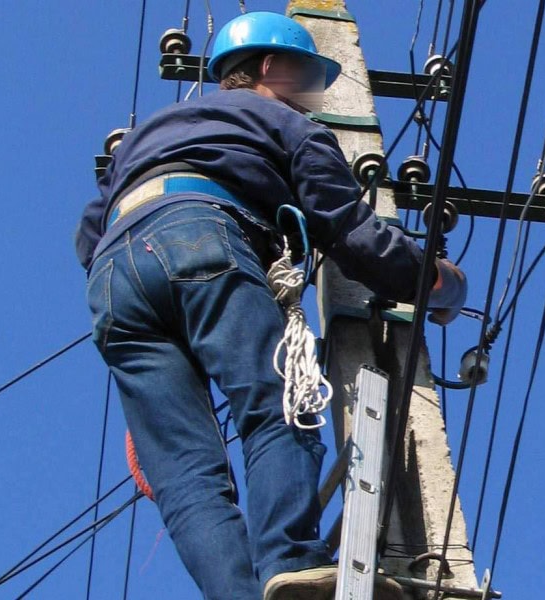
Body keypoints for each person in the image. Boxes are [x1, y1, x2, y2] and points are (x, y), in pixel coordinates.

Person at [74, 11, 466, 600]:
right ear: (268, 66)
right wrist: (437, 281)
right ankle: (291, 560)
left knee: (183, 472)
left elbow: (88, 234)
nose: (315, 95)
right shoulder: (289, 123)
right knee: (282, 405)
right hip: (203, 238)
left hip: (113, 282)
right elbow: (349, 231)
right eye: (308, 76)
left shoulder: (148, 133)